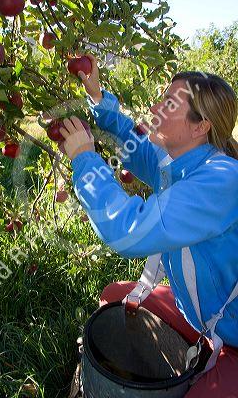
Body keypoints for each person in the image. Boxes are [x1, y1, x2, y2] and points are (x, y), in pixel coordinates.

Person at [60, 54, 238, 397]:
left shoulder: (221, 181)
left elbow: (129, 230)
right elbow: (138, 145)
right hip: (202, 314)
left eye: (169, 103)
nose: (155, 108)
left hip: (233, 333)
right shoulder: (180, 160)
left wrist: (85, 158)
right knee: (114, 297)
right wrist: (97, 97)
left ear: (200, 126)